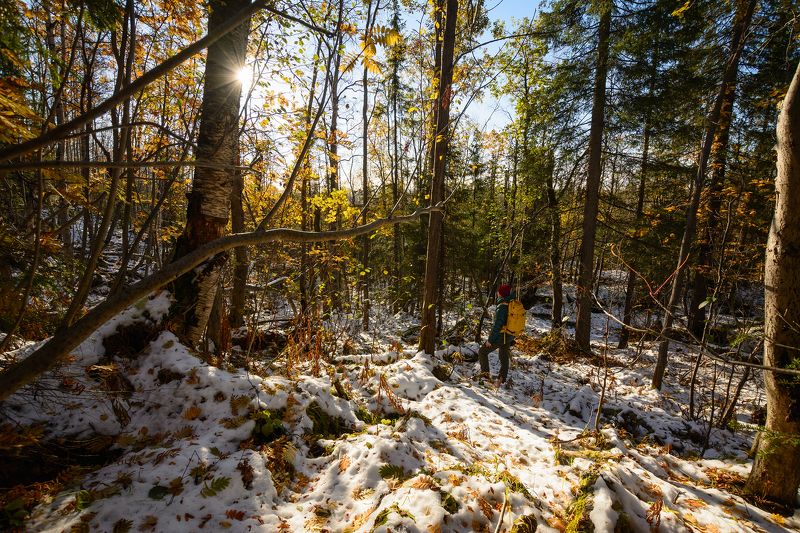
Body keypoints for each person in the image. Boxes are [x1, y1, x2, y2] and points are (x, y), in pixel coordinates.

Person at [478, 283, 515, 387]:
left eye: (499, 291)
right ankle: (501, 380)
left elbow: (497, 325)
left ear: (501, 294)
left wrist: (490, 340)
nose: (497, 293)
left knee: (482, 352)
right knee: (504, 357)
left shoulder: (502, 306)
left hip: (500, 336)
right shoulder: (511, 303)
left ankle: (485, 376)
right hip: (508, 335)